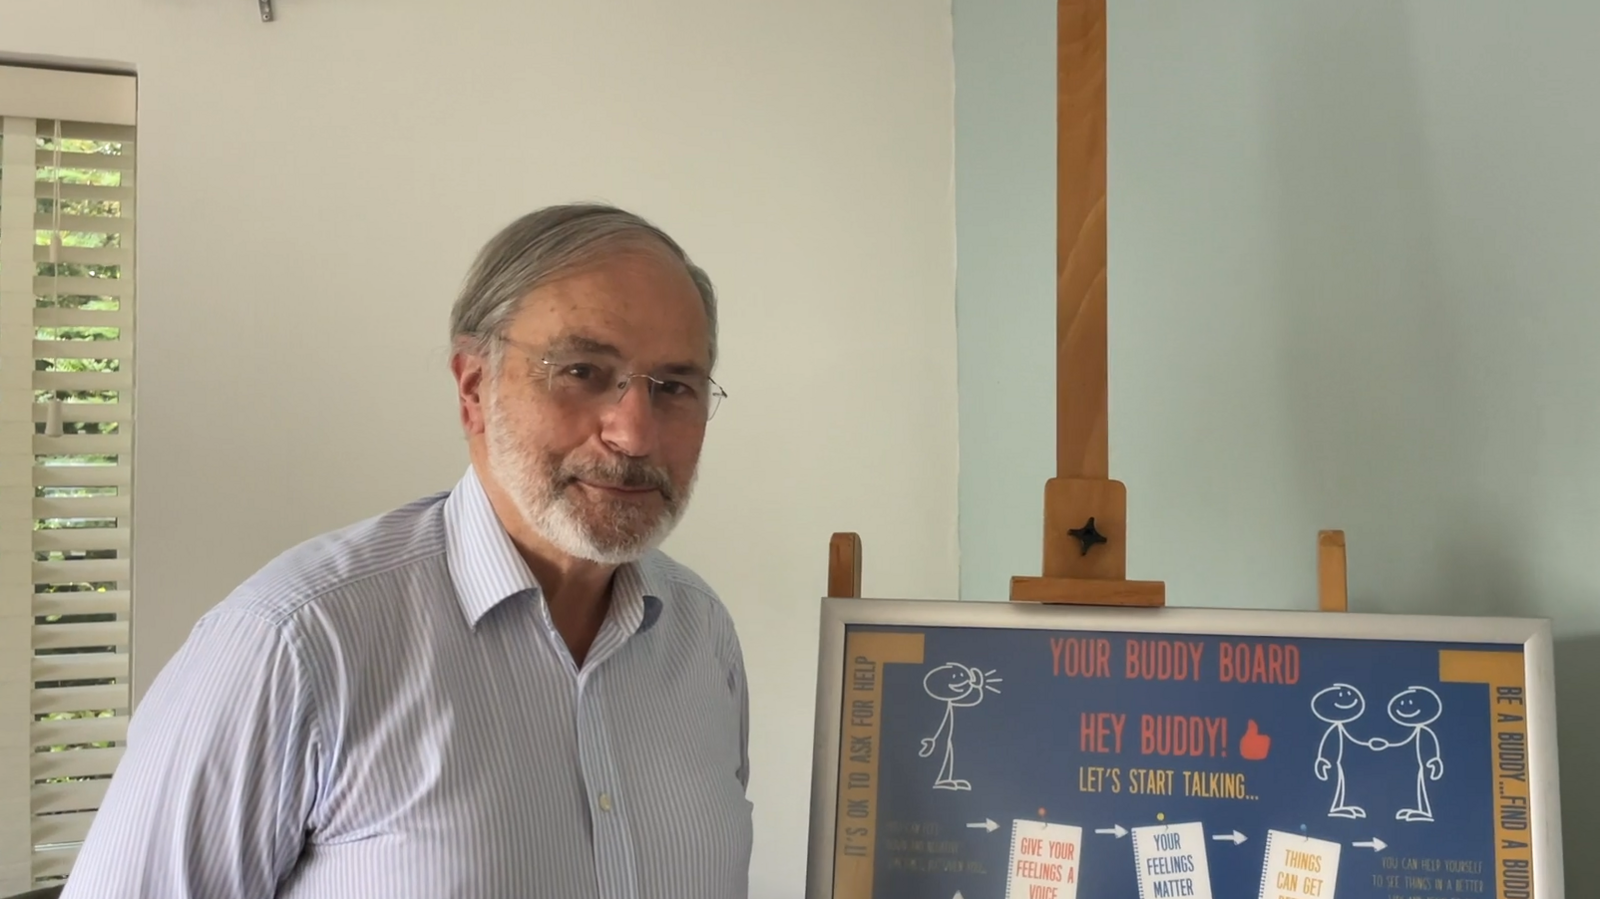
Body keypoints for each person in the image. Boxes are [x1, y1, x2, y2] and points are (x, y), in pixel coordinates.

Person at [62, 204, 752, 899]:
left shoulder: (702, 640)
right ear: (474, 388)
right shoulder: (294, 644)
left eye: (674, 387)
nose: (634, 433)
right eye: (581, 370)